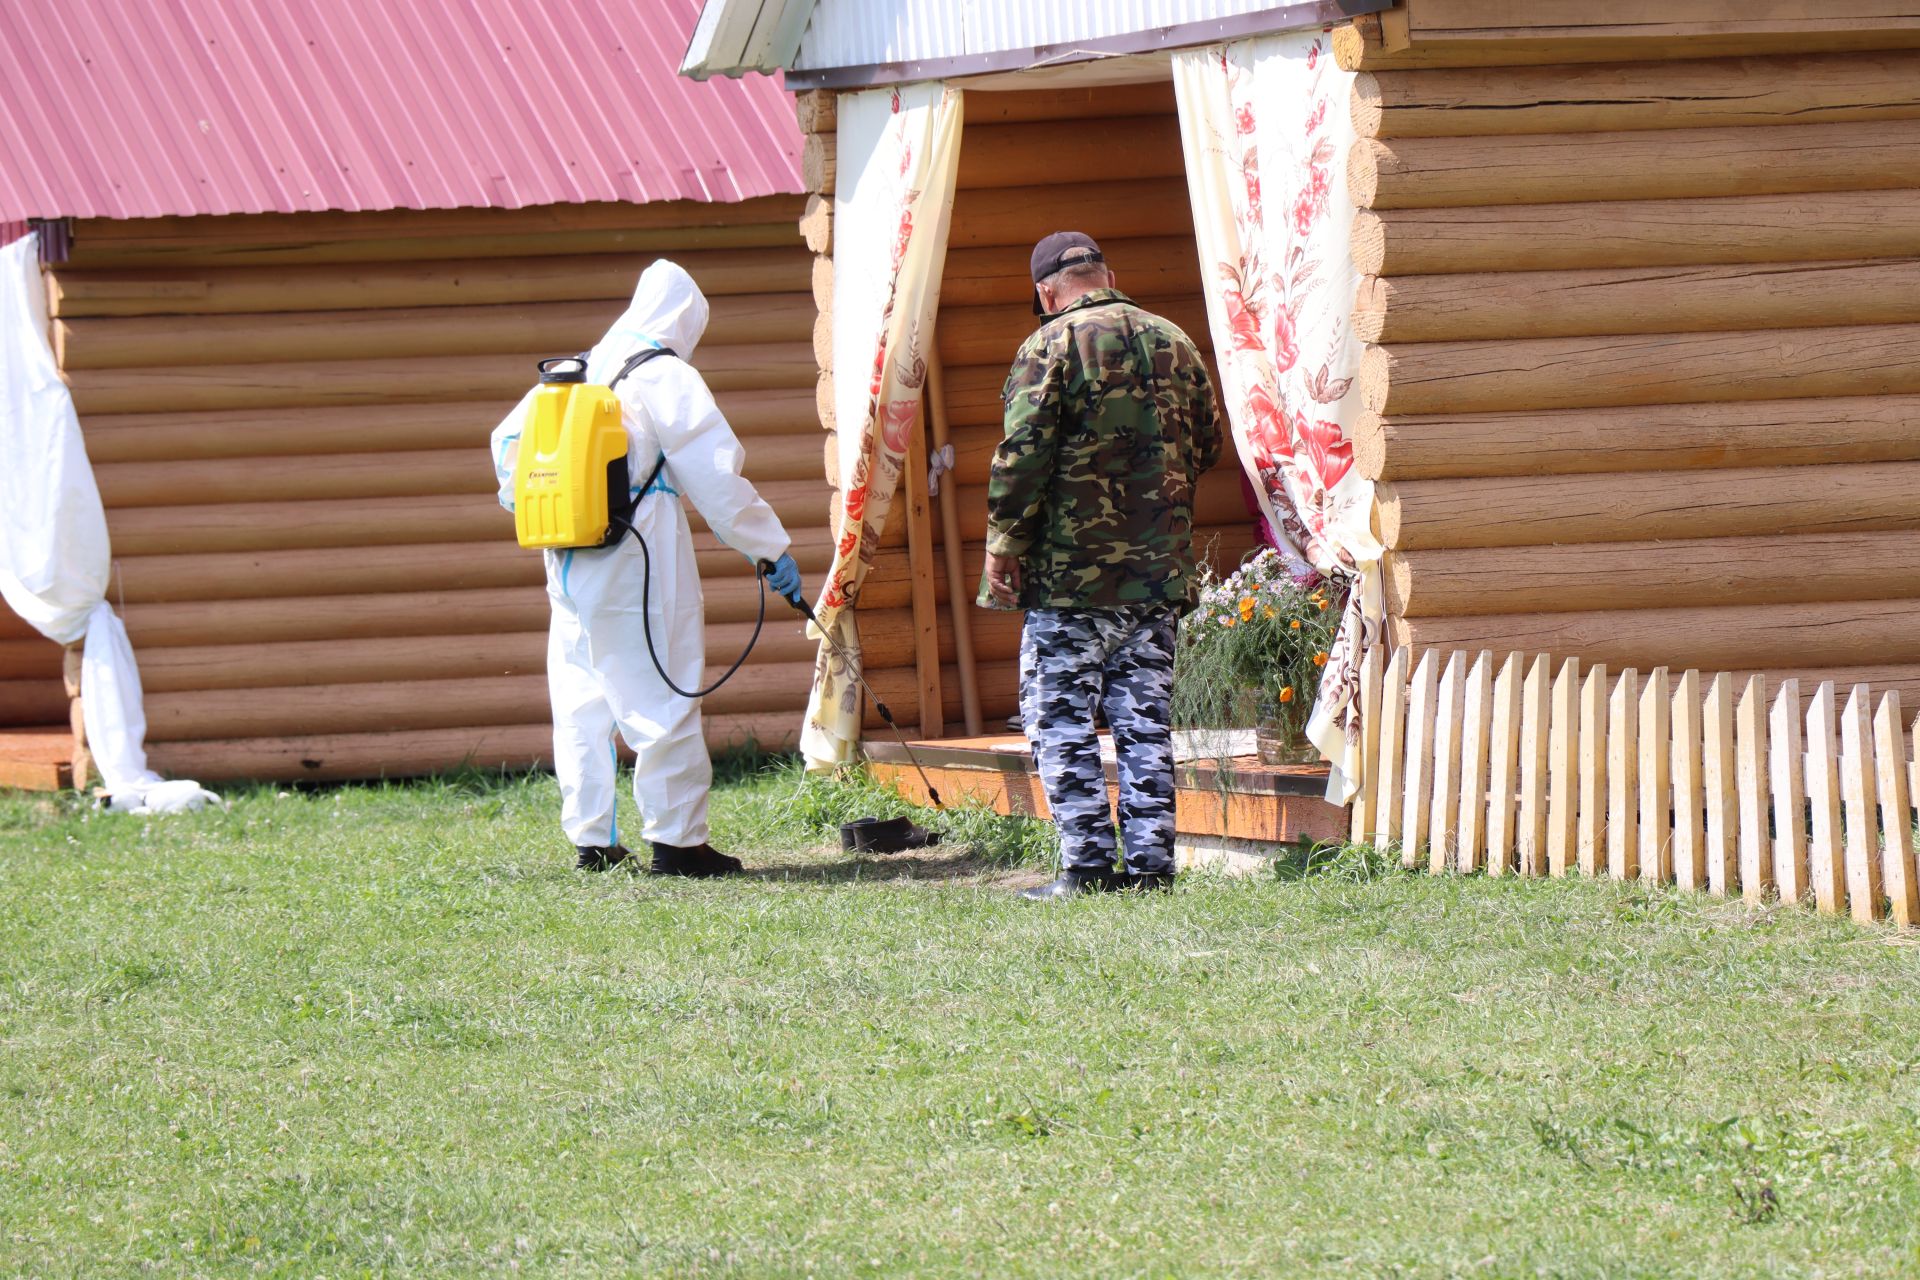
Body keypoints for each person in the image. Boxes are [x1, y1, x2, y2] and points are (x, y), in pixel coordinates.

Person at [490, 260, 802, 876]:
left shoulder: (572, 372)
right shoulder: (662, 374)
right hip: (638, 552)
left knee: (582, 696)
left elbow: (508, 454)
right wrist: (768, 547)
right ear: (684, 320)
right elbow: (715, 476)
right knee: (662, 686)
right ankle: (679, 842)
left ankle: (593, 840)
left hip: (567, 555)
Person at [981, 232, 1223, 900]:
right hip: (1156, 575)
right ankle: (1150, 870)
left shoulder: (1049, 345)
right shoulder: (1176, 340)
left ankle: (1086, 867)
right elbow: (1208, 445)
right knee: (1143, 721)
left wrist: (1003, 543)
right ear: (1106, 275)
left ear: (1044, 292)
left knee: (1060, 717)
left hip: (1070, 580)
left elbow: (1021, 457)